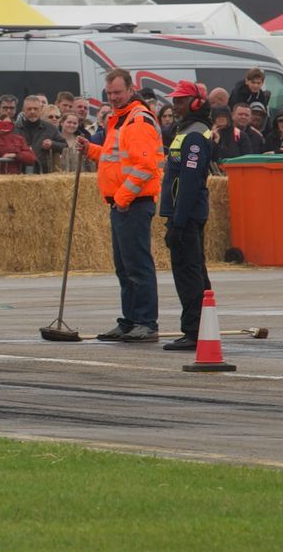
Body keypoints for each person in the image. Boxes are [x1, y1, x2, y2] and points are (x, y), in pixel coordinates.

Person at [79, 69, 164, 343]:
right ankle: (129, 320)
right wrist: (90, 150)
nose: (113, 98)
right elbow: (113, 158)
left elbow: (145, 166)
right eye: (110, 93)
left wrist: (123, 198)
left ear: (130, 90)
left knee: (137, 265)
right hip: (121, 203)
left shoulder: (138, 120)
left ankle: (146, 322)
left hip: (133, 204)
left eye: (118, 92)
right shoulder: (119, 120)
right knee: (124, 267)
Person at [158, 82, 215, 352]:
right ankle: (202, 327)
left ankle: (194, 330)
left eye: (180, 101)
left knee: (188, 272)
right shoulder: (188, 130)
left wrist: (178, 222)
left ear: (194, 103)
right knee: (194, 271)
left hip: (187, 216)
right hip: (185, 214)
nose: (175, 105)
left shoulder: (194, 134)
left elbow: (190, 182)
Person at [15, 94, 66, 174]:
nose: (32, 111)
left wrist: (52, 144)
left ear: (41, 110)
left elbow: (65, 146)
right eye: (29, 109)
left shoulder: (50, 128)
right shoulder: (14, 128)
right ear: (23, 110)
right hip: (18, 173)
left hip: (43, 174)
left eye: (35, 109)